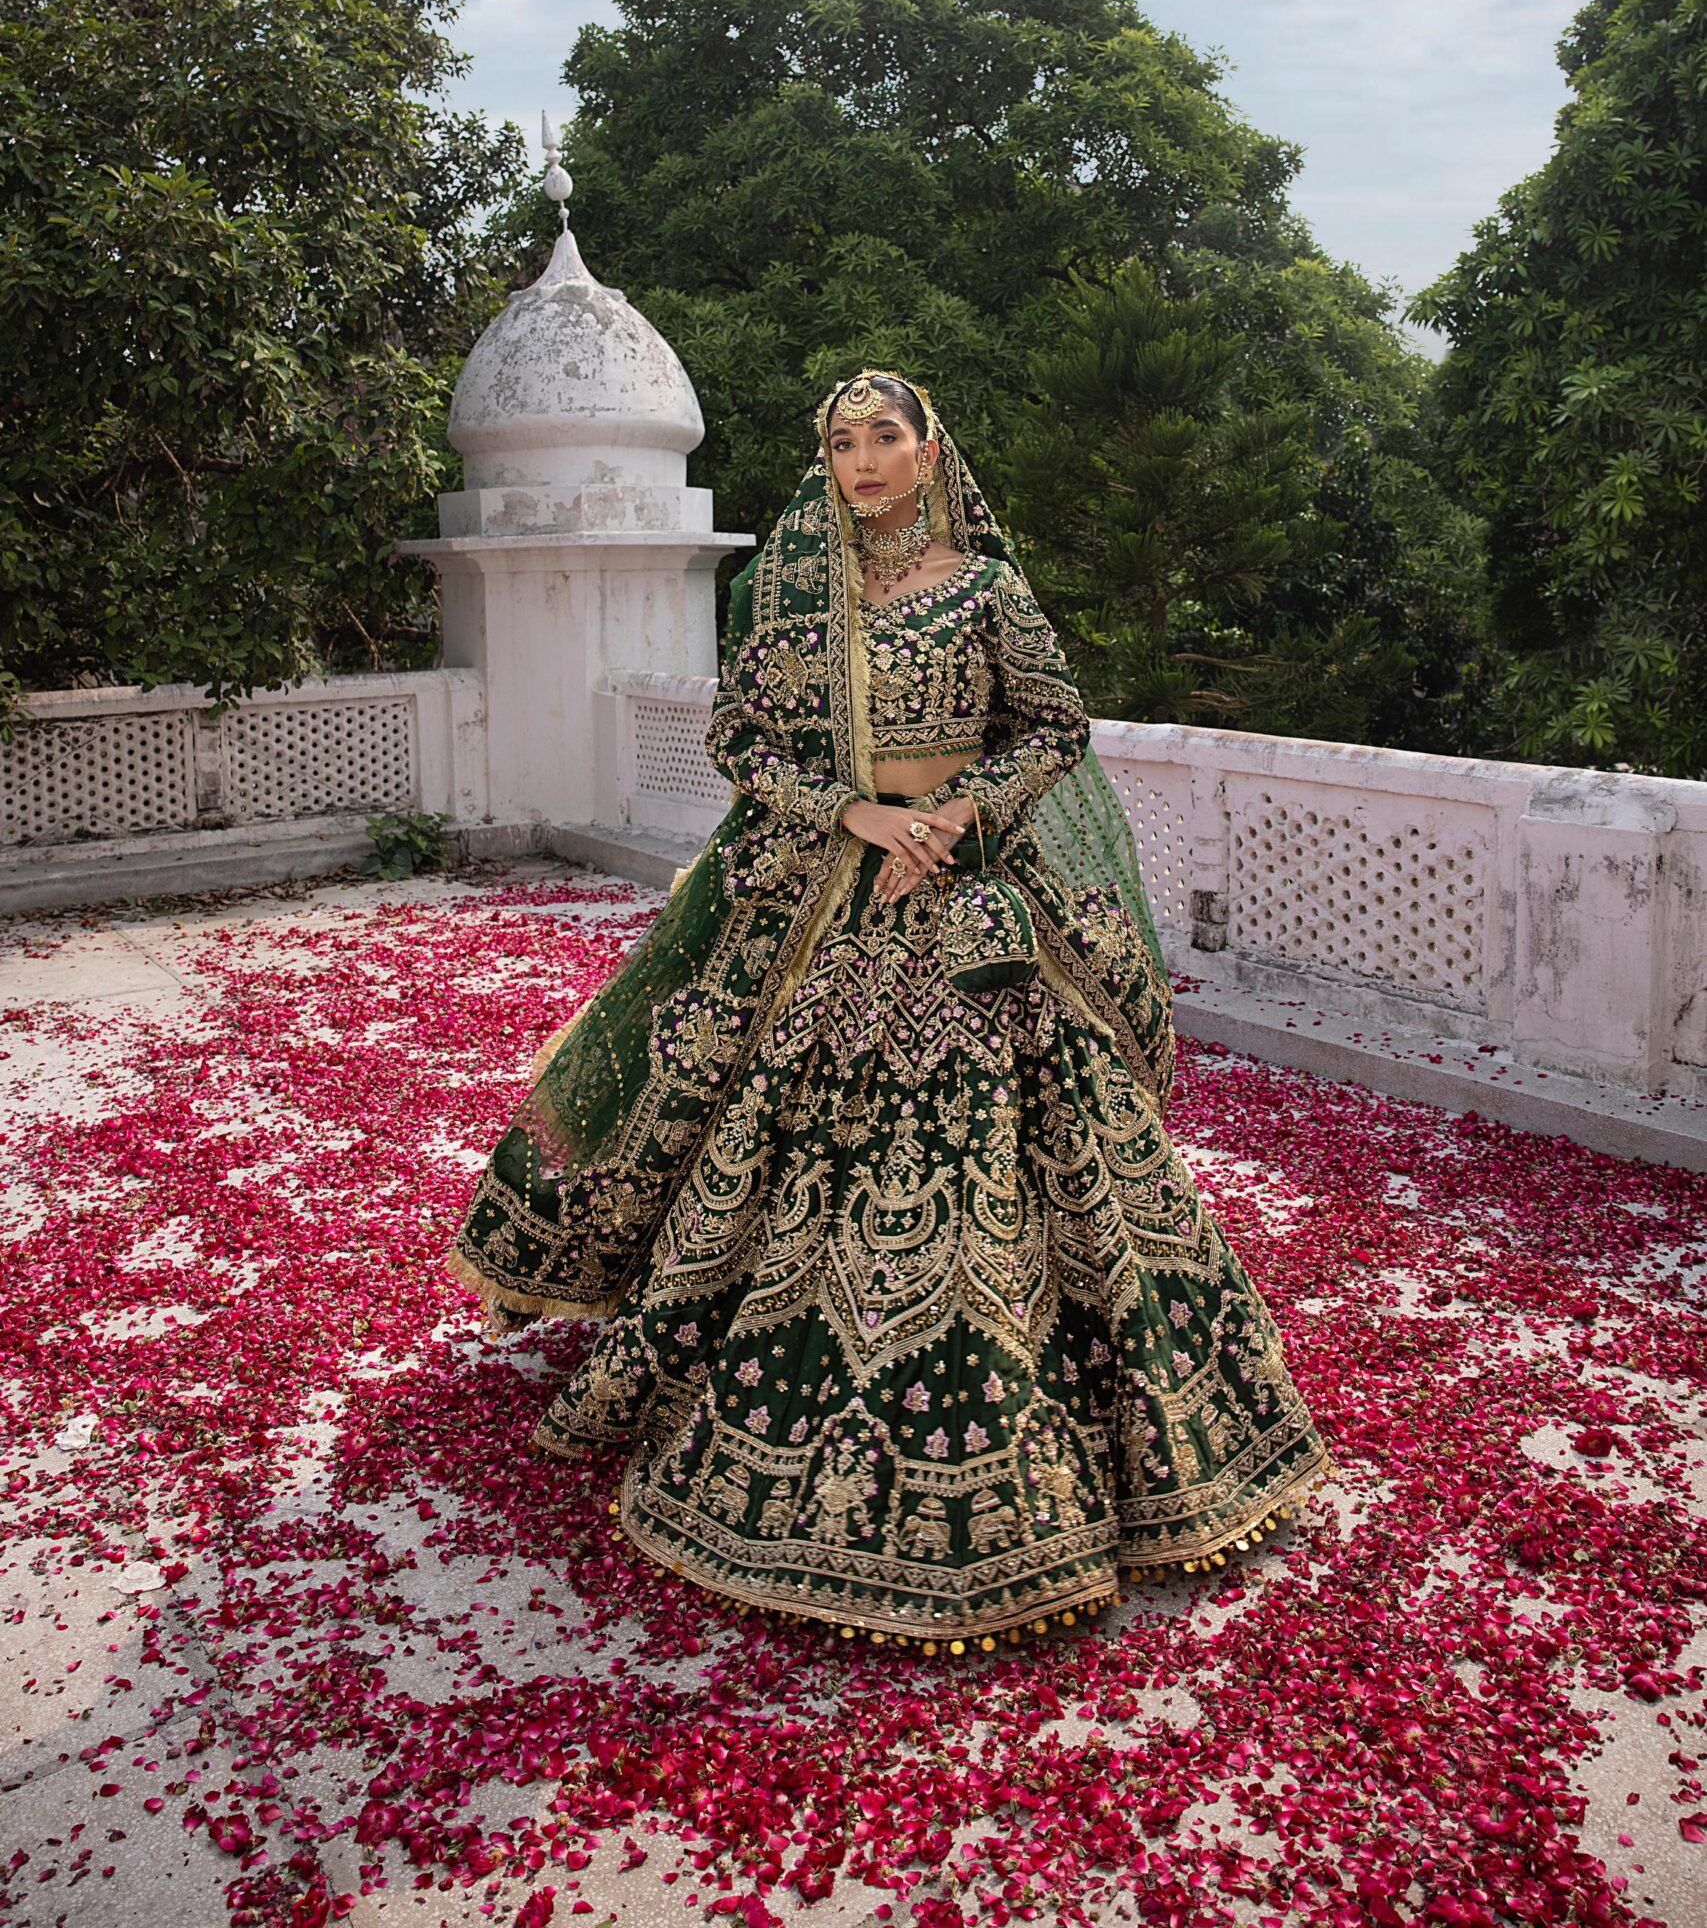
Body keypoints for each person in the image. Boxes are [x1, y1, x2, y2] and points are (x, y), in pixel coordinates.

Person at [450, 371, 1330, 1652]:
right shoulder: (799, 595)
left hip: (972, 890)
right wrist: (859, 815)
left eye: (886, 438)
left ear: (928, 453)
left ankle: (1111, 1447)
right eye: (843, 441)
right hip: (833, 887)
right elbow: (744, 743)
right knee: (773, 1126)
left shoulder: (987, 588)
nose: (864, 461)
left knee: (1030, 1140)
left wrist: (955, 816)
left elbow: (1055, 727)